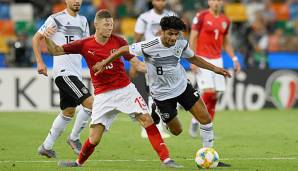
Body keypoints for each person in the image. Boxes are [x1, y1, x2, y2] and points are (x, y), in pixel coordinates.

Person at [43, 9, 182, 168]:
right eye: (106, 24)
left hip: (125, 90)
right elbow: (56, 50)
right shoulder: (84, 44)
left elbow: (136, 63)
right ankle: (78, 162)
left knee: (146, 119)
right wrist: (47, 38)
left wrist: (157, 70)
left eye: (111, 24)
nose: (110, 27)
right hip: (103, 95)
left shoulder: (119, 41)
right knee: (94, 138)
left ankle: (166, 159)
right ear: (96, 24)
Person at [93, 16, 231, 167]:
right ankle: (157, 110)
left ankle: (210, 156)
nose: (173, 37)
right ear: (162, 32)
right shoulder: (149, 45)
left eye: (176, 34)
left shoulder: (181, 44)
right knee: (177, 131)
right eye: (170, 33)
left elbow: (194, 59)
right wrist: (104, 62)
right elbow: (123, 49)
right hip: (161, 95)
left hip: (182, 87)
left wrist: (215, 69)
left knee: (205, 119)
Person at [32, 0, 93, 158]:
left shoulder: (83, 21)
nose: (76, 1)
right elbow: (36, 38)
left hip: (76, 71)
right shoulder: (55, 18)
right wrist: (40, 61)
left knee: (68, 111)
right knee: (90, 104)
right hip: (64, 72)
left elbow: (86, 46)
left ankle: (46, 146)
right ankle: (74, 138)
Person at [188, 0, 241, 138]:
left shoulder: (225, 20)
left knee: (216, 95)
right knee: (209, 92)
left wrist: (234, 59)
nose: (216, 3)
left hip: (218, 59)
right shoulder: (201, 16)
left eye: (218, 0)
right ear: (208, 2)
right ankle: (195, 122)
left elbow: (226, 42)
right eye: (213, 0)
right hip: (202, 59)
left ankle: (207, 128)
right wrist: (192, 59)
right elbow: (193, 37)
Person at [130, 0, 175, 138]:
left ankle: (159, 125)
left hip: (167, 59)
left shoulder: (172, 15)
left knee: (165, 93)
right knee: (153, 93)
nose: (160, 2)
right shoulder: (144, 18)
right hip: (151, 59)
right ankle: (151, 126)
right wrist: (134, 63)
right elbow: (136, 41)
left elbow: (177, 38)